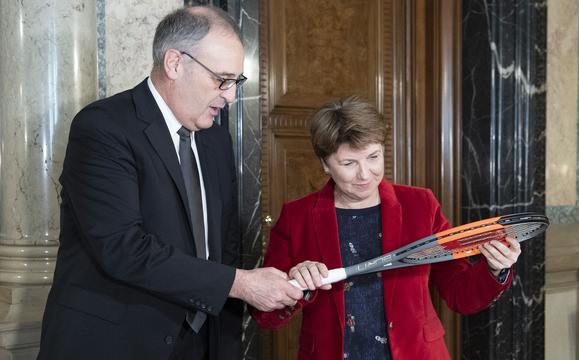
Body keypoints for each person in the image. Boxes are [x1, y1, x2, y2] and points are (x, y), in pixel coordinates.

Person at [38, 5, 303, 360]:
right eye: (221, 80)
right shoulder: (103, 128)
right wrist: (242, 284)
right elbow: (123, 247)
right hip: (115, 344)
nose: (230, 96)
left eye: (236, 82)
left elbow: (221, 249)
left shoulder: (216, 140)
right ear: (175, 63)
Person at [250, 96, 521, 360]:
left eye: (373, 157)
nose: (365, 174)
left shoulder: (420, 205)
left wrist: (495, 269)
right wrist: (298, 284)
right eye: (348, 163)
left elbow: (459, 292)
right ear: (325, 164)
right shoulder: (297, 216)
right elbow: (266, 317)